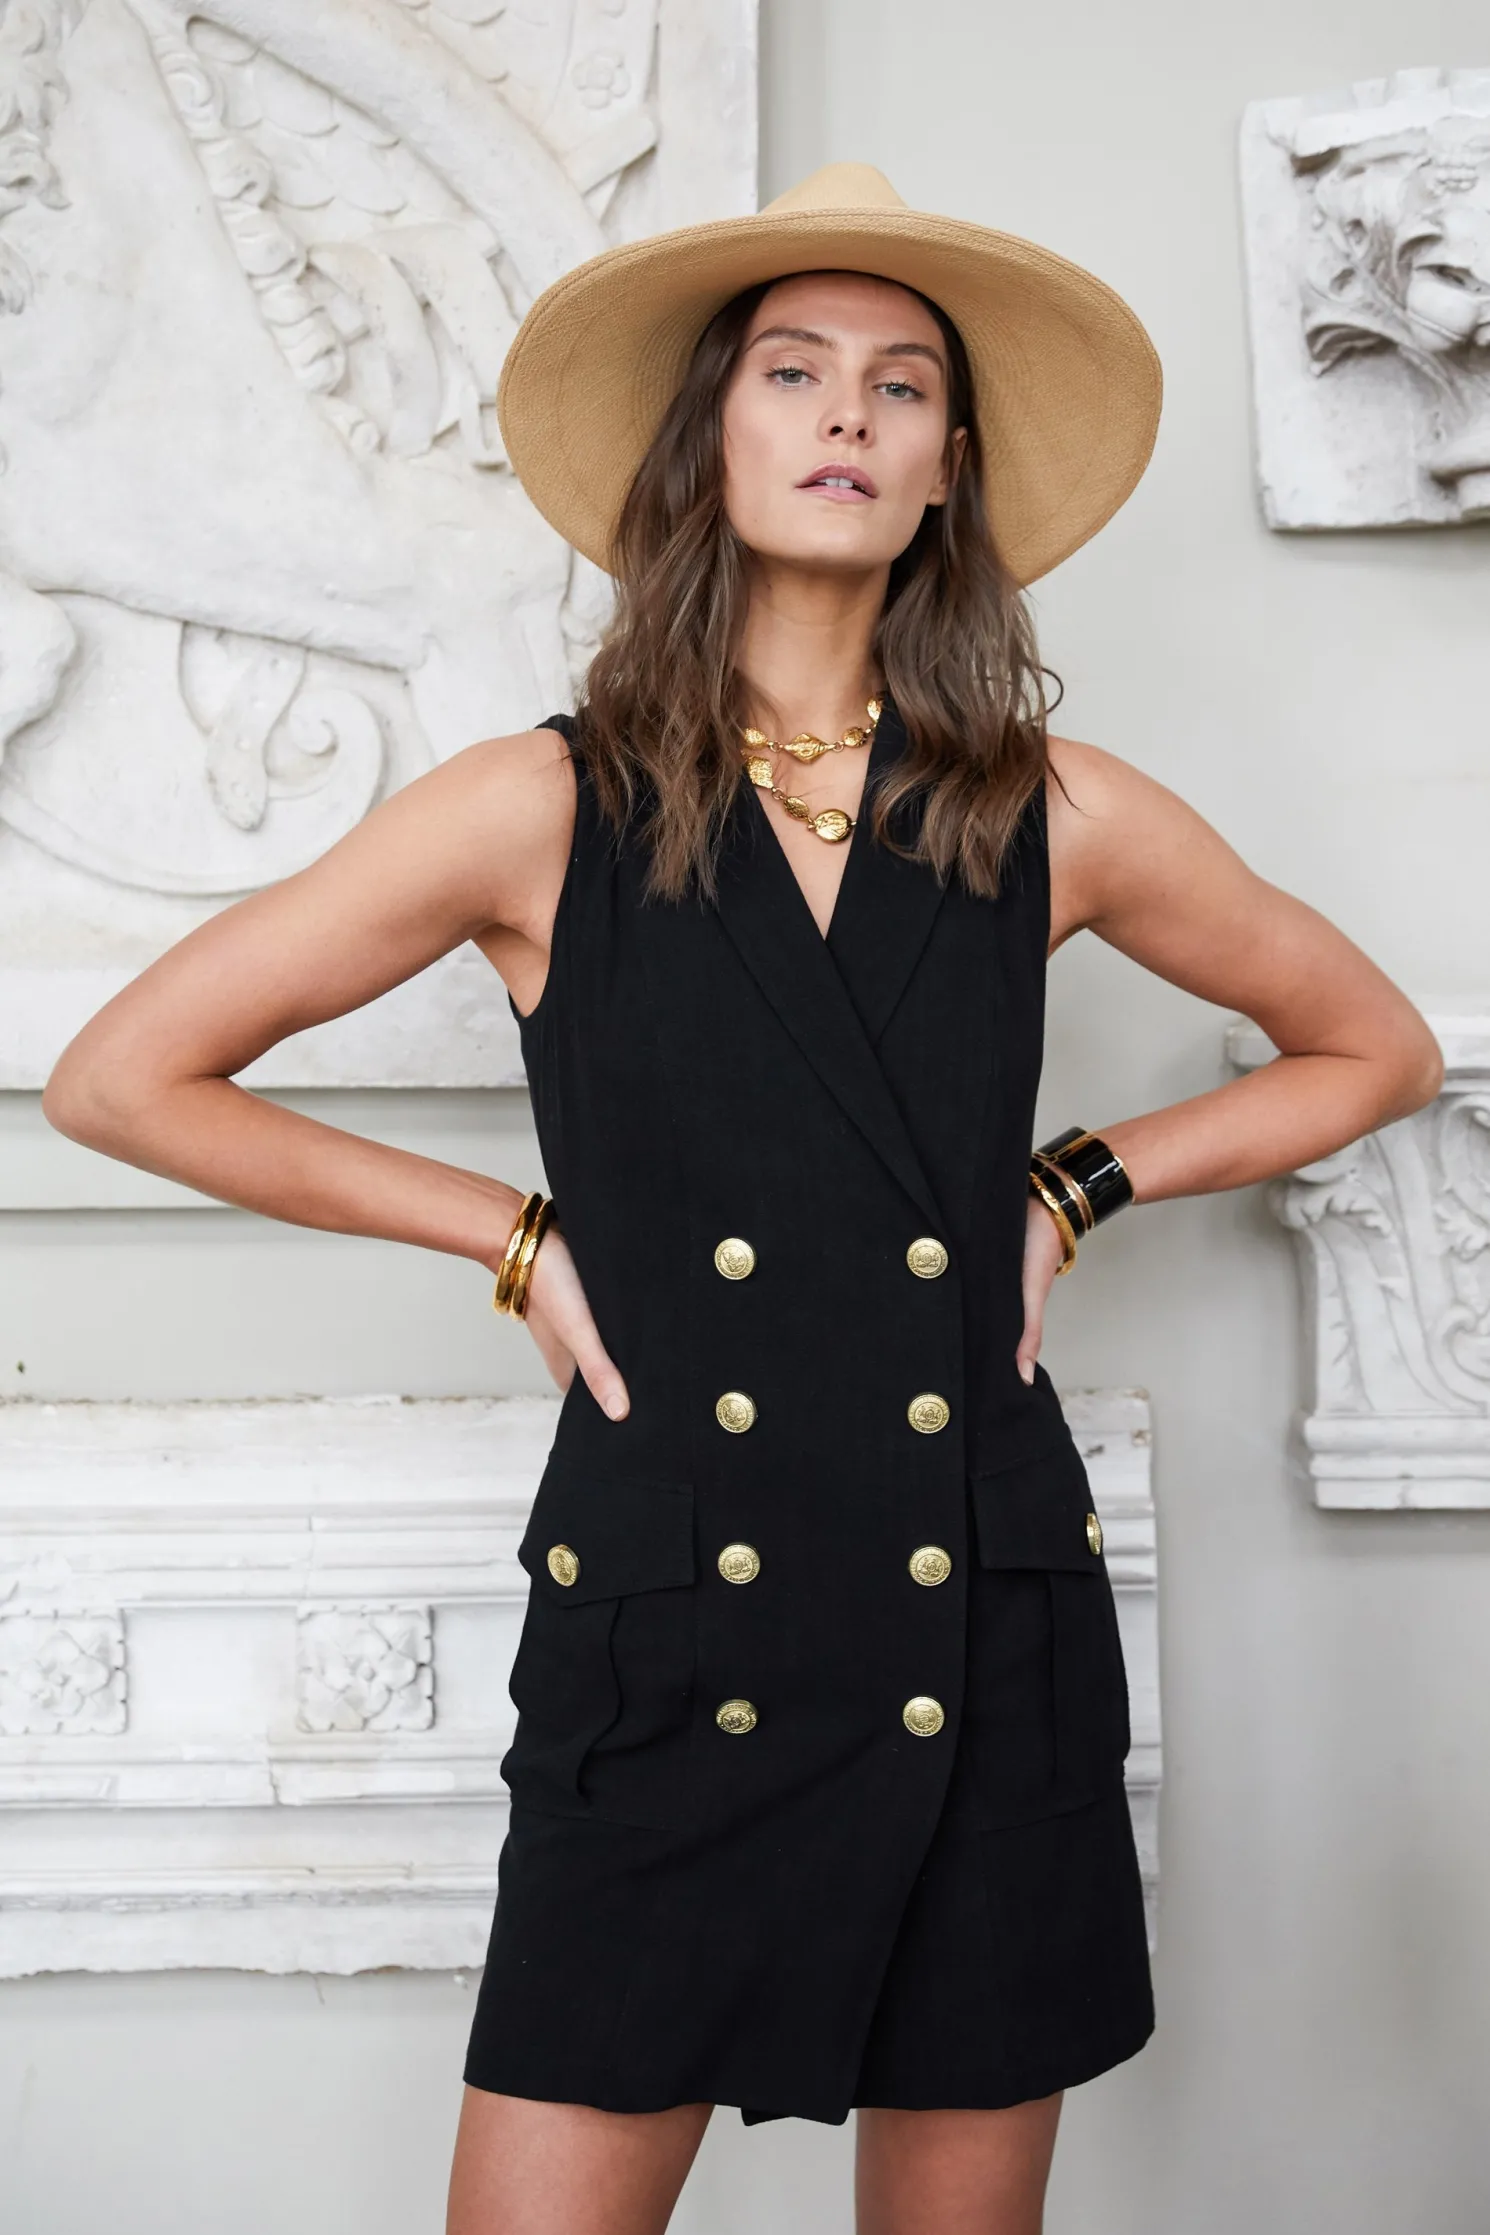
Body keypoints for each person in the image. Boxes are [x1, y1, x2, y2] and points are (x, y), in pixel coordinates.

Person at [42, 164, 1442, 2235]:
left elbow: (1372, 1047)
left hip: (974, 1610)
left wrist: (1078, 1179)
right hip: (669, 1613)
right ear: (709, 434)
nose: (848, 411)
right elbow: (120, 1078)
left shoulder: (1048, 808)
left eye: (901, 383)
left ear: (947, 469)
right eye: (792, 370)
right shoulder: (539, 803)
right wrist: (509, 1236)